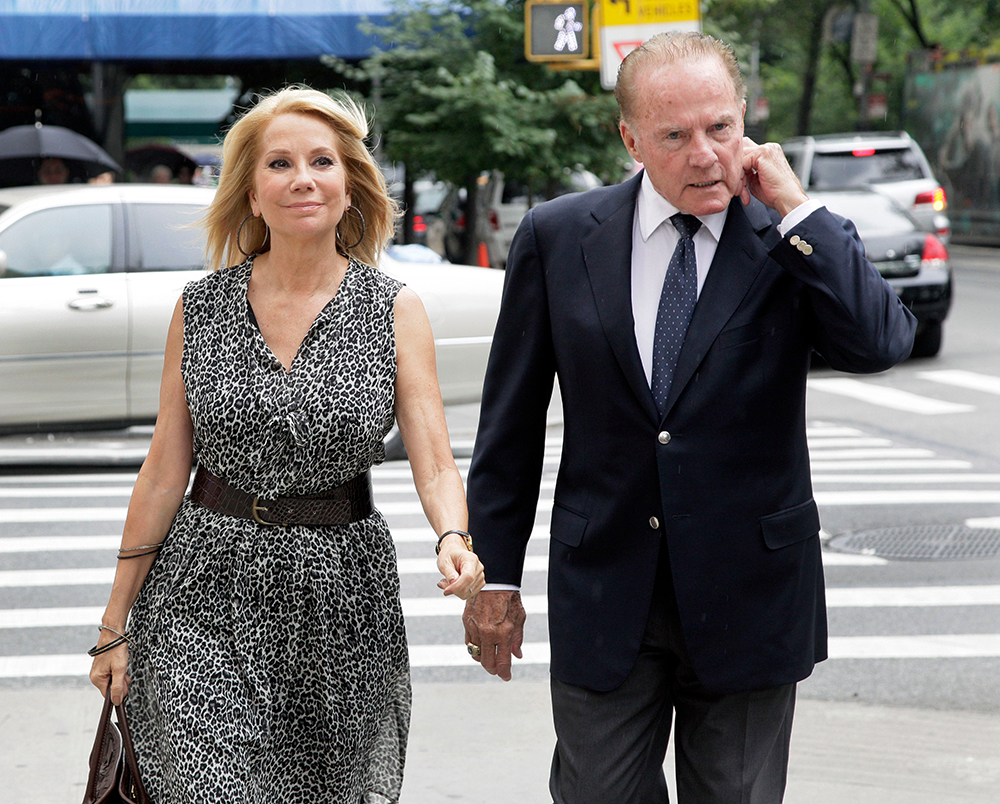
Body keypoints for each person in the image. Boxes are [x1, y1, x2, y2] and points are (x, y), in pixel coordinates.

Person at [462, 32, 915, 804]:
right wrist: (494, 576)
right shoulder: (560, 236)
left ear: (746, 116)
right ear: (631, 138)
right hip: (605, 590)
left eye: (721, 128)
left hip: (751, 593)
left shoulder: (787, 238)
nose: (705, 154)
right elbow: (509, 425)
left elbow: (880, 342)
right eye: (674, 136)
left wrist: (800, 206)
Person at [89, 86, 484, 803]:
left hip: (340, 594)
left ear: (349, 185)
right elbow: (162, 470)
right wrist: (114, 624)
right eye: (279, 163)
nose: (303, 178)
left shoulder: (395, 309)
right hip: (202, 585)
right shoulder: (201, 307)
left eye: (322, 161)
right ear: (249, 192)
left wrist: (452, 536)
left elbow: (433, 457)